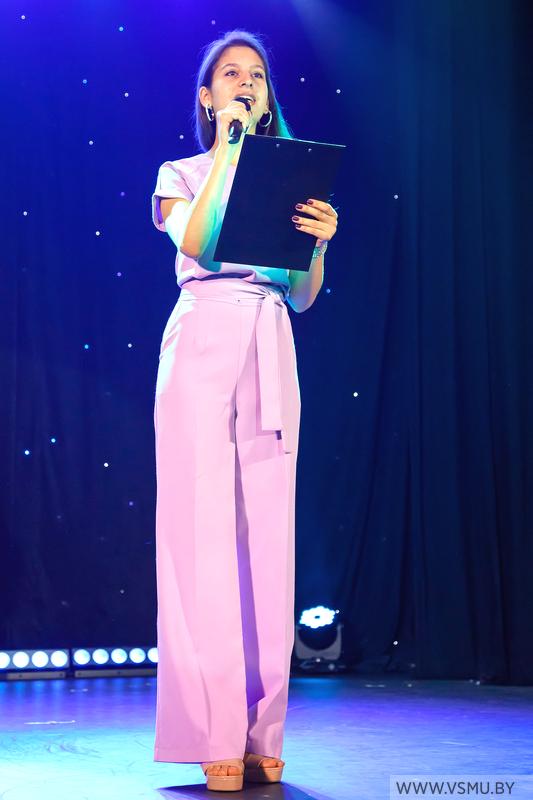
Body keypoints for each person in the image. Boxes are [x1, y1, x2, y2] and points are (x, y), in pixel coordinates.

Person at [150, 30, 338, 792]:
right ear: (208, 97)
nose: (245, 82)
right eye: (230, 74)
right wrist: (229, 151)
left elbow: (301, 294)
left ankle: (262, 731)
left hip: (268, 338)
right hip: (202, 335)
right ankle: (213, 730)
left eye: (255, 75)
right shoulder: (181, 172)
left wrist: (317, 245)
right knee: (201, 536)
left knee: (267, 538)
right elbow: (197, 242)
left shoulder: (288, 183)